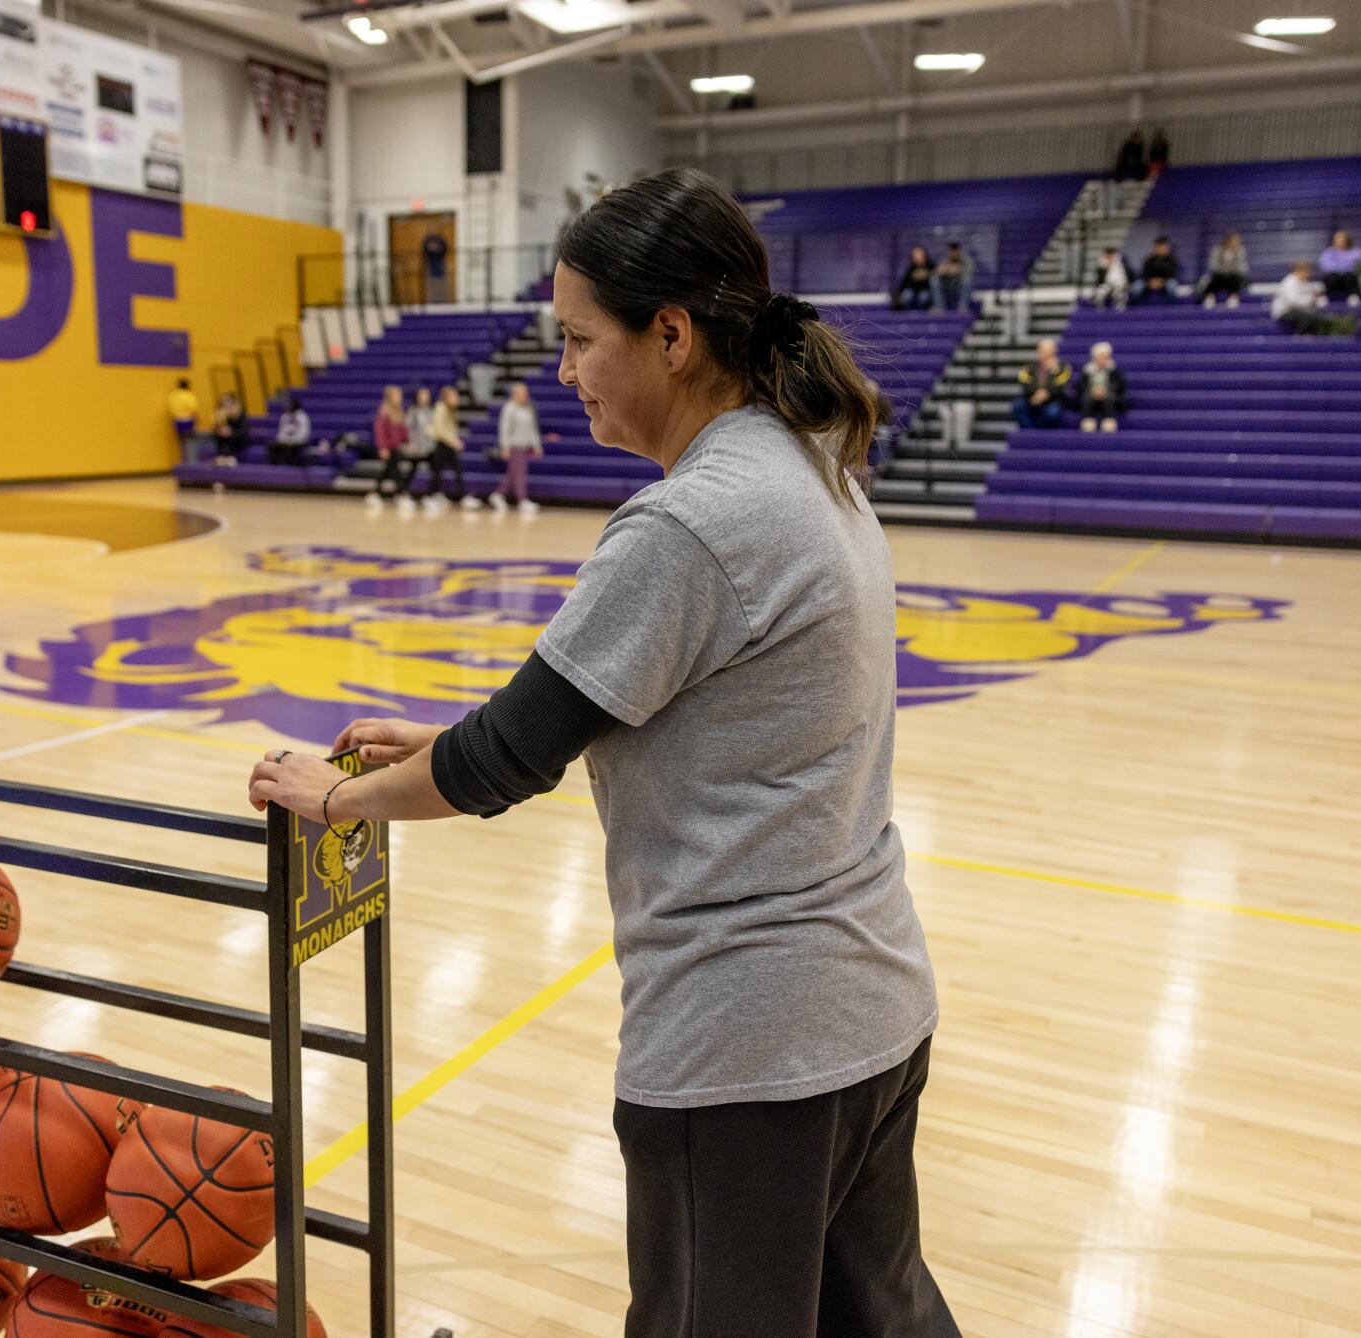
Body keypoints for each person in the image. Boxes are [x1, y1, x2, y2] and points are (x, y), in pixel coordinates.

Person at [247, 166, 957, 1338]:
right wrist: (444, 736)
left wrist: (335, 801)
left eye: (579, 341)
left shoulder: (689, 521)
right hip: (869, 1011)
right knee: (876, 1320)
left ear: (670, 335)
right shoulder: (814, 464)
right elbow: (691, 715)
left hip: (746, 1047)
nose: (563, 371)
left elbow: (503, 762)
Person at [488, 382, 544, 515]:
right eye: (523, 393)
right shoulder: (509, 408)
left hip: (524, 446)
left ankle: (498, 495)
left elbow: (532, 429)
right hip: (514, 445)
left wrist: (536, 445)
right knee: (519, 474)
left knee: (513, 473)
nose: (526, 395)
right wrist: (505, 446)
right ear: (515, 394)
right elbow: (504, 428)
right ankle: (522, 500)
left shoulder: (527, 408)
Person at [422, 385, 477, 512]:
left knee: (455, 470)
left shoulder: (451, 410)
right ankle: (431, 496)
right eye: (454, 396)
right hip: (441, 444)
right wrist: (455, 442)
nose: (456, 398)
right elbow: (440, 430)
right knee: (437, 472)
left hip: (448, 444)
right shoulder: (440, 408)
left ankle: (460, 495)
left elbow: (451, 429)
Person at [1013, 338, 1072, 429]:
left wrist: (1046, 392)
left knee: (1052, 413)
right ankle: (1030, 431)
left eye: (1048, 351)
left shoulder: (1063, 367)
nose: (1045, 353)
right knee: (1018, 405)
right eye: (1042, 350)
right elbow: (1024, 381)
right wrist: (1035, 393)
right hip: (1031, 398)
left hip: (1052, 399)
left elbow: (1061, 384)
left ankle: (1039, 431)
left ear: (1054, 351)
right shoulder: (1029, 366)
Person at [367, 385, 410, 508]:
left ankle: (377, 494)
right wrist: (382, 447)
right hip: (387, 447)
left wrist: (408, 441)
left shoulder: (399, 412)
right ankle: (399, 494)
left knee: (389, 471)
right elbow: (379, 431)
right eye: (397, 395)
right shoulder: (384, 412)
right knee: (393, 471)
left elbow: (402, 430)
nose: (400, 398)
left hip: (395, 447)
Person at [1073, 342, 1128, 433]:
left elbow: (1120, 386)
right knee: (1086, 396)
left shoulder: (1114, 371)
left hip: (1108, 395)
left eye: (1105, 357)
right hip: (1091, 395)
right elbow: (1081, 386)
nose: (1102, 360)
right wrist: (1092, 390)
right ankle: (1087, 419)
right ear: (1094, 358)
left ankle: (1109, 419)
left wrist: (1106, 390)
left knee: (1110, 396)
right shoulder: (1087, 371)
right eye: (1100, 357)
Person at [399, 386, 436, 513]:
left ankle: (430, 495)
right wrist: (410, 443)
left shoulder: (430, 411)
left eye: (427, 395)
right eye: (422, 395)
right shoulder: (413, 411)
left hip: (428, 447)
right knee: (412, 470)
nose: (425, 398)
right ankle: (403, 494)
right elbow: (407, 428)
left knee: (434, 470)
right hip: (416, 447)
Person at [1271, 262, 1330, 335]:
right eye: (1306, 272)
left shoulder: (1303, 282)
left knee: (1317, 318)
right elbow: (1293, 301)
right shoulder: (1290, 282)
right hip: (1284, 312)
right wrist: (1312, 299)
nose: (1308, 274)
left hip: (1298, 311)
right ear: (1299, 271)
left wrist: (1316, 298)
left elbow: (1315, 290)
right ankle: (1299, 339)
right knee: (1306, 318)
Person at [1198, 232, 1248, 308]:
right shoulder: (1217, 250)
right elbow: (1214, 266)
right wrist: (1227, 269)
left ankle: (1233, 298)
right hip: (1219, 277)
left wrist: (1226, 268)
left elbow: (1239, 267)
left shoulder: (1240, 251)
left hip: (1234, 277)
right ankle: (1210, 298)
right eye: (1235, 240)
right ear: (1228, 241)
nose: (1237, 243)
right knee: (1214, 280)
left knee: (1235, 279)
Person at [1318, 229, 1361, 305]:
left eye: (1339, 238)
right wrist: (1346, 265)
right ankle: (1324, 297)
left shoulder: (1357, 251)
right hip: (1334, 279)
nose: (1337, 241)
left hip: (1349, 278)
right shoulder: (1328, 252)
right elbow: (1326, 266)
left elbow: (1359, 265)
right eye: (1336, 239)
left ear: (1346, 240)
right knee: (1331, 276)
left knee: (1349, 276)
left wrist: (1339, 265)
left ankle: (1353, 296)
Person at [1135, 237, 1178, 305]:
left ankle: (1172, 307)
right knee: (1137, 287)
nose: (1162, 249)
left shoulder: (1171, 260)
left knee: (1172, 285)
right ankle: (1137, 308)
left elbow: (1172, 273)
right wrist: (1150, 281)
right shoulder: (1149, 259)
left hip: (1165, 282)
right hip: (1150, 282)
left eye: (1164, 247)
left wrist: (1162, 281)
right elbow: (1144, 273)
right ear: (1156, 248)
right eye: (1160, 247)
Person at [269, 395, 311, 465]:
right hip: (286, 440)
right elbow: (281, 431)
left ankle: (289, 467)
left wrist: (293, 440)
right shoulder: (285, 416)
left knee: (290, 448)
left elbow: (304, 433)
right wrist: (283, 439)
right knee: (272, 446)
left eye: (290, 405)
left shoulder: (302, 417)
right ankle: (274, 467)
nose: (288, 407)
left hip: (298, 441)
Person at [891, 246, 935, 311]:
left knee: (923, 296)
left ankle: (922, 314)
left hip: (925, 291)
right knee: (907, 295)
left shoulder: (930, 265)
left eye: (919, 254)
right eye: (915, 254)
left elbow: (934, 277)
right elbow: (904, 282)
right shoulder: (911, 267)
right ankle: (907, 314)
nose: (917, 256)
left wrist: (925, 275)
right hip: (912, 291)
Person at [167, 378, 198, 461]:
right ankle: (190, 459)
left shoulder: (173, 395)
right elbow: (194, 409)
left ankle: (183, 459)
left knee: (181, 441)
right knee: (190, 441)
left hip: (177, 420)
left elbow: (171, 408)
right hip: (188, 420)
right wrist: (196, 419)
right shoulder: (189, 395)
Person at [932, 242, 968, 312]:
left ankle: (962, 306)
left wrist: (958, 270)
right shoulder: (945, 259)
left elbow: (970, 270)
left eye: (955, 251)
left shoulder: (966, 259)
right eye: (951, 251)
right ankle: (939, 307)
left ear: (958, 251)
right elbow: (936, 271)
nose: (953, 253)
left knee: (966, 279)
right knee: (934, 280)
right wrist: (943, 271)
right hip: (947, 286)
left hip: (959, 287)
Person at [211, 390, 244, 464]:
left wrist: (231, 432)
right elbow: (215, 435)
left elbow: (243, 435)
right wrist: (217, 431)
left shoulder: (240, 417)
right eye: (224, 405)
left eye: (229, 405)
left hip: (237, 448)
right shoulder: (221, 417)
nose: (226, 408)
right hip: (223, 452)